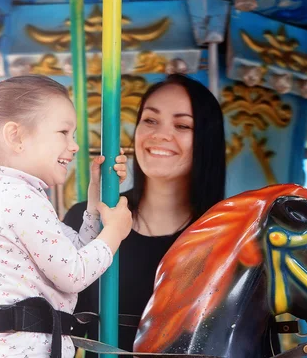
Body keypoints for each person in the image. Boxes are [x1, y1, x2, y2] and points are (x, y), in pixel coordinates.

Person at [0, 62, 133, 358]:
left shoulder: (18, 195)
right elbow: (74, 274)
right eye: (64, 132)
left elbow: (76, 254)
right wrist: (114, 233)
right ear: (16, 137)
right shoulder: (16, 199)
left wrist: (95, 203)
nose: (74, 146)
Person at [63, 74, 226, 354]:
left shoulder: (226, 237)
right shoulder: (90, 219)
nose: (160, 135)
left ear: (206, 141)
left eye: (182, 125)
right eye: (150, 120)